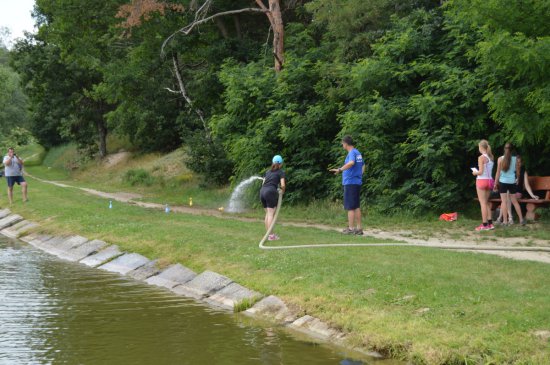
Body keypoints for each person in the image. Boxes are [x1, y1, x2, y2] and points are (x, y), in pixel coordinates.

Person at [330, 136, 365, 235]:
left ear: (345, 143)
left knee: (350, 206)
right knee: (356, 206)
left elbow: (351, 163)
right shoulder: (358, 152)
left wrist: (340, 169)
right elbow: (363, 165)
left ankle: (350, 228)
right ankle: (359, 228)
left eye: (342, 143)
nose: (342, 145)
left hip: (350, 182)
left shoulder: (352, 153)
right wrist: (359, 175)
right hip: (356, 182)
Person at [496, 154, 540, 224]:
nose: (518, 164)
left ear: (522, 163)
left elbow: (527, 185)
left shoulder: (523, 172)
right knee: (506, 196)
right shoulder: (511, 171)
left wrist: (532, 195)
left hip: (518, 193)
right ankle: (506, 218)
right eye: (516, 163)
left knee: (507, 197)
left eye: (519, 162)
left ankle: (506, 218)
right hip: (510, 192)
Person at [494, 143, 525, 226]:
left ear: (504, 149)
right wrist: (517, 179)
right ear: (512, 150)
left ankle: (505, 221)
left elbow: (497, 173)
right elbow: (518, 171)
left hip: (503, 182)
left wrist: (495, 183)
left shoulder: (500, 159)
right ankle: (521, 220)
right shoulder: (516, 159)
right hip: (512, 182)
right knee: (514, 201)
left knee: (503, 202)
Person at [260, 155, 286, 241]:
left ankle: (268, 234)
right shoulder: (281, 172)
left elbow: (263, 183)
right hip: (270, 192)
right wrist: (282, 191)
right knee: (271, 214)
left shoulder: (267, 172)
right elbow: (282, 185)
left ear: (272, 162)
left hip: (262, 192)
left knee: (267, 214)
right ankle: (271, 236)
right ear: (281, 164)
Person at [472, 140, 495, 231]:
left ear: (481, 148)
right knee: (486, 202)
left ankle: (484, 224)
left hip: (481, 181)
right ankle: (490, 223)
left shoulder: (481, 158)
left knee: (482, 203)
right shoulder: (491, 157)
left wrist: (475, 172)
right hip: (489, 181)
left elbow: (480, 172)